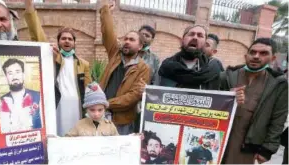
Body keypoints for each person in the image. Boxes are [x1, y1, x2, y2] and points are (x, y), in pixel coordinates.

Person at [23, 0, 91, 136]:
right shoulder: (52, 56)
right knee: (58, 134)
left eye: (70, 39)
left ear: (74, 43)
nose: (67, 41)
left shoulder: (83, 64)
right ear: (58, 41)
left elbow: (88, 87)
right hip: (58, 104)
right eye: (63, 38)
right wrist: (29, 7)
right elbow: (37, 34)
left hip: (76, 106)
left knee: (75, 135)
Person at [220, 38, 288, 164]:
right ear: (246, 56)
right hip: (219, 140)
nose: (256, 56)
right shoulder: (227, 76)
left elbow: (278, 119)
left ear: (273, 58)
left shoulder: (278, 84)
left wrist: (268, 149)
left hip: (248, 146)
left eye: (263, 53)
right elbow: (211, 104)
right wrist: (227, 97)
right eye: (253, 52)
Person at [99, 0, 150, 135]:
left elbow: (134, 96)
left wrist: (108, 104)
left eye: (132, 40)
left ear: (140, 47)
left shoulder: (143, 68)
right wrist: (106, 11)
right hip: (101, 115)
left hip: (122, 122)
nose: (127, 41)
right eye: (125, 38)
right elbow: (108, 33)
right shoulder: (115, 54)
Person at [158, 25, 220, 90]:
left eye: (200, 35)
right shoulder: (166, 67)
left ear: (204, 44)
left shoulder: (212, 70)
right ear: (182, 41)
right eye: (191, 34)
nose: (195, 37)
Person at [0, 58, 42, 133]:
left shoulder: (38, 96)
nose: (14, 77)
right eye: (10, 73)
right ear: (6, 77)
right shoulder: (1, 101)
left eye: (17, 72)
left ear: (23, 75)